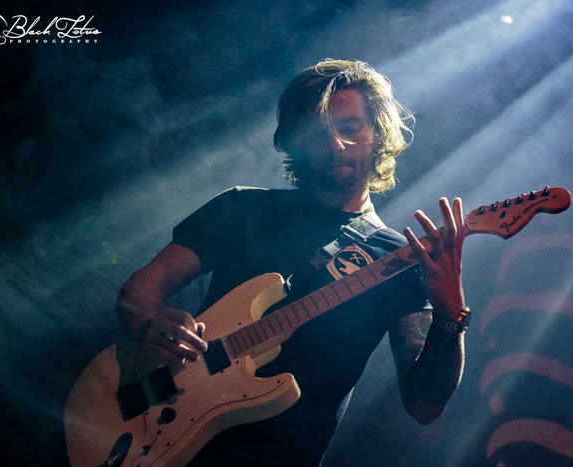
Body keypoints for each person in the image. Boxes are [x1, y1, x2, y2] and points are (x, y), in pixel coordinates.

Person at [116, 59, 468, 467]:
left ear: (379, 133)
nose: (336, 145)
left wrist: (450, 314)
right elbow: (141, 289)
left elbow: (424, 405)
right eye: (318, 132)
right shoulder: (242, 207)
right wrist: (149, 324)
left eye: (350, 127)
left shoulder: (399, 260)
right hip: (157, 435)